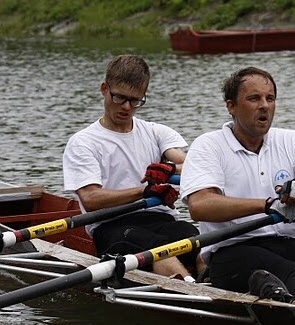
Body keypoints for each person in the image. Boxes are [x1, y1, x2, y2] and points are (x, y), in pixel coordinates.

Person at [180, 66, 295, 296]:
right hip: (233, 251)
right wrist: (267, 205)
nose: (264, 105)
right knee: (288, 273)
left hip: (290, 244)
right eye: (254, 98)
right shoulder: (208, 145)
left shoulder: (292, 140)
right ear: (231, 106)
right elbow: (200, 206)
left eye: (270, 98)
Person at [63, 54, 202, 281]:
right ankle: (194, 291)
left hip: (161, 219)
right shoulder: (83, 142)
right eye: (119, 98)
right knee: (156, 250)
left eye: (135, 100)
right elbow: (90, 198)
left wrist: (170, 170)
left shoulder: (157, 133)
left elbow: (190, 166)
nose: (127, 107)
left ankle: (211, 280)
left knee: (198, 240)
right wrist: (144, 191)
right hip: (113, 226)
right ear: (104, 89)